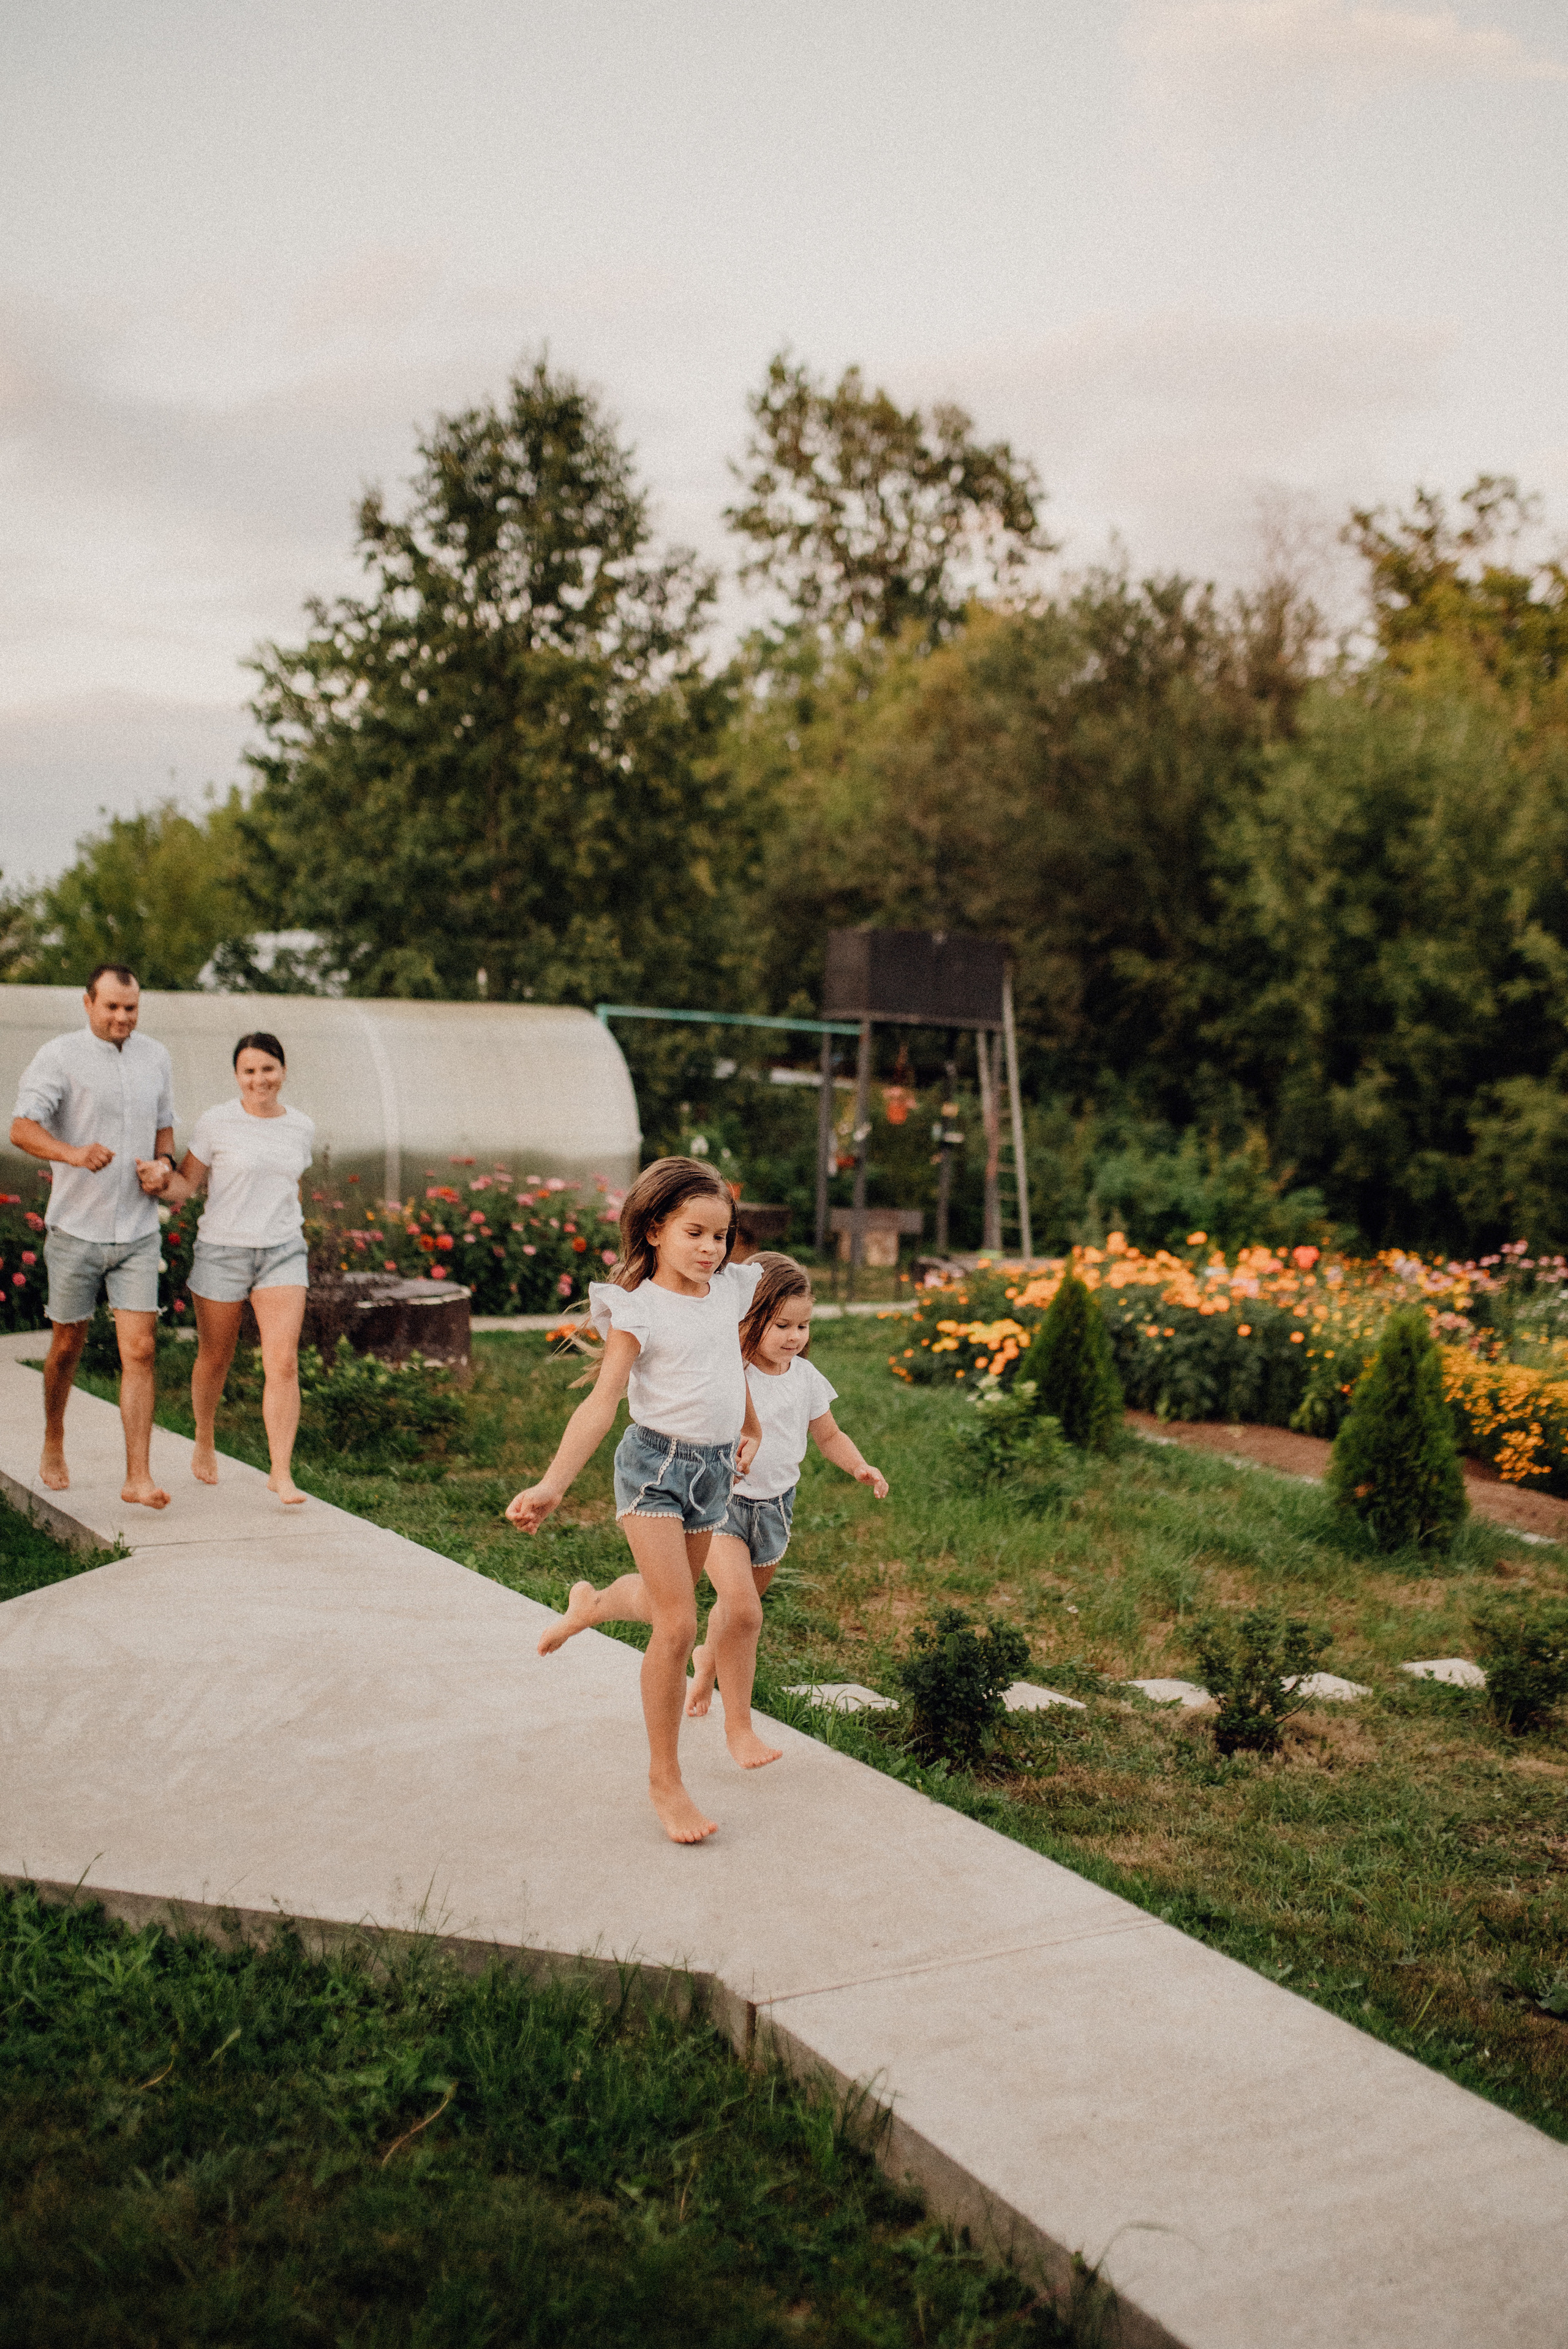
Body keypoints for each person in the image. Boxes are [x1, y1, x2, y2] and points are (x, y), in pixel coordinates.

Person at [505, 1156, 764, 1845]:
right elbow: (602, 1401)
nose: (711, 1249)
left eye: (721, 1235)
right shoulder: (639, 1307)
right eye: (695, 1233)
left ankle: (591, 1606)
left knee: (661, 1605)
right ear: (654, 1229)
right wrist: (551, 1485)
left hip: (712, 1474)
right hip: (655, 1470)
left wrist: (750, 1426)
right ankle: (666, 1779)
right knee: (678, 1626)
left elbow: (727, 1366)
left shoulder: (730, 1292)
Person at [685, 1253, 888, 1750]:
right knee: (744, 1610)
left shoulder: (805, 1377)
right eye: (782, 1325)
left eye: (803, 1325)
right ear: (749, 1319)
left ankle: (707, 1661)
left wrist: (859, 1465)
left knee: (738, 1609)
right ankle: (741, 1727)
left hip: (775, 1510)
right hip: (723, 1506)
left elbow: (830, 1436)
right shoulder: (733, 1373)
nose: (795, 1336)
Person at [9, 963, 177, 1507]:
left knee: (142, 1350)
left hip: (137, 1230)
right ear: (88, 1004)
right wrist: (73, 1154)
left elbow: (165, 1126)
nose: (123, 1017)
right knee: (66, 1345)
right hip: (76, 1230)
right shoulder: (59, 1056)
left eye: (131, 1008)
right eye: (112, 1007)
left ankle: (138, 1477)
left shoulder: (156, 1056)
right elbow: (22, 1128)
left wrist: (164, 1164)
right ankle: (54, 1436)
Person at [151, 1032, 314, 1507]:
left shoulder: (301, 1126)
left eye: (268, 1069)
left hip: (282, 1250)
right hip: (223, 1251)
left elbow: (291, 1186)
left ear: (282, 1071)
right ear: (237, 1076)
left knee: (282, 1361)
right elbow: (186, 1185)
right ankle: (204, 1435)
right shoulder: (216, 1122)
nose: (259, 1079)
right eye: (249, 1071)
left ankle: (280, 1472)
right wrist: (159, 1180)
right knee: (215, 1357)